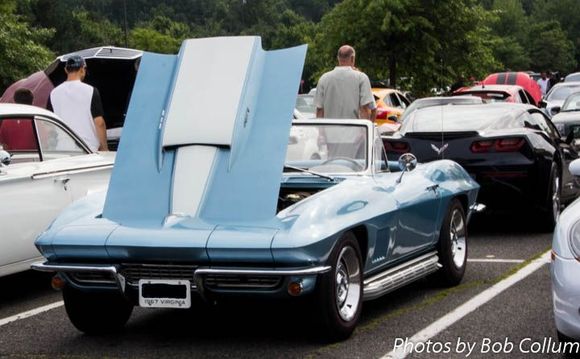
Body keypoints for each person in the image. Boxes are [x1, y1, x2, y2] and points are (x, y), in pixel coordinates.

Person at [47, 55, 108, 151]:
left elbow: (49, 126)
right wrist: (105, 148)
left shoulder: (53, 93)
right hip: (88, 148)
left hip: (62, 150)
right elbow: (99, 122)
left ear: (66, 70)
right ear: (82, 69)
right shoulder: (91, 91)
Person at [314, 45, 376, 120]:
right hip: (353, 129)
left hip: (330, 130)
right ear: (352, 58)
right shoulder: (361, 78)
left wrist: (321, 131)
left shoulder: (324, 78)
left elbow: (320, 110)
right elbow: (364, 109)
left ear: (338, 58)